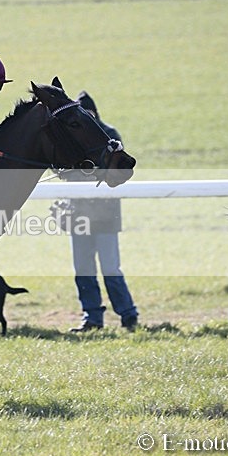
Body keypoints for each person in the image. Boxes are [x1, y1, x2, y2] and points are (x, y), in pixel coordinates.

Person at [59, 91, 139, 332]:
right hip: (79, 214)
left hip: (105, 215)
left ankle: (128, 314)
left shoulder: (110, 136)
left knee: (110, 268)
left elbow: (116, 170)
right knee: (83, 270)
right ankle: (92, 317)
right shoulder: (70, 139)